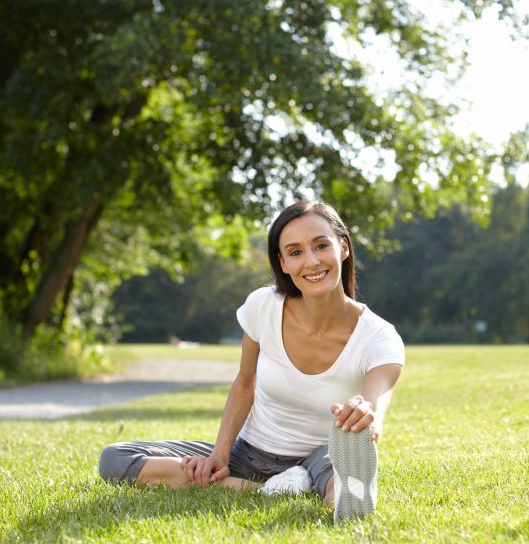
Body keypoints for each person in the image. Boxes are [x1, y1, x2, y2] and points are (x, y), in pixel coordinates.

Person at [98, 201, 405, 522]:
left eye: (321, 246)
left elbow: (375, 403)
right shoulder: (263, 306)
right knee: (115, 458)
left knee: (337, 480)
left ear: (343, 247)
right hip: (248, 452)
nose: (312, 261)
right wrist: (219, 455)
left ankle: (338, 490)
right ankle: (271, 489)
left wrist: (366, 412)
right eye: (295, 252)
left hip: (321, 456)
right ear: (283, 263)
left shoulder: (379, 337)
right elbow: (245, 383)